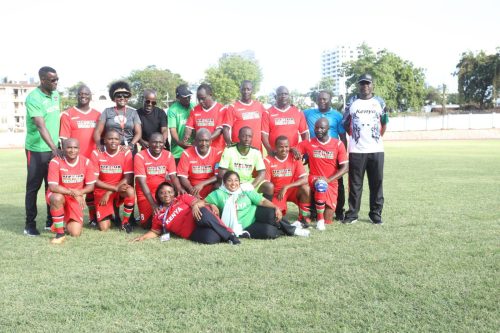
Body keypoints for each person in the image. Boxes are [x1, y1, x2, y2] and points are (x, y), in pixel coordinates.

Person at [342, 73, 389, 225]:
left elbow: (384, 123)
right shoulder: (352, 102)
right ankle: (352, 214)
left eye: (368, 83)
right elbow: (346, 124)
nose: (365, 86)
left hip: (376, 149)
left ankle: (375, 214)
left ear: (372, 85)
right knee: (355, 184)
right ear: (359, 85)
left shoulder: (379, 102)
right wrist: (356, 138)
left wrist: (376, 138)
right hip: (356, 150)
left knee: (376, 183)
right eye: (362, 83)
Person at [205, 171, 309, 239]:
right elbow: (203, 202)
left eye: (236, 180)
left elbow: (262, 201)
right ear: (224, 182)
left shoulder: (244, 189)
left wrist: (276, 207)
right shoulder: (218, 193)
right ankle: (285, 229)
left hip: (255, 216)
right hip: (244, 226)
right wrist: (212, 205)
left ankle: (293, 230)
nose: (233, 183)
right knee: (270, 232)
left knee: (271, 213)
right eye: (229, 180)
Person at [131, 182, 240, 245]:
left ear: (174, 193)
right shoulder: (158, 214)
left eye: (169, 192)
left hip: (199, 219)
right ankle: (221, 234)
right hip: (191, 232)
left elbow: (200, 203)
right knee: (211, 239)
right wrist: (143, 237)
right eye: (162, 193)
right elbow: (155, 232)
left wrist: (195, 205)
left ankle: (230, 236)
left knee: (203, 212)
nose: (166, 195)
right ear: (158, 196)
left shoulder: (182, 198)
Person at [24, 66, 61, 236]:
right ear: (43, 80)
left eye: (57, 79)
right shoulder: (33, 98)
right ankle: (29, 225)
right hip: (37, 150)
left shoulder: (56, 95)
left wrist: (58, 145)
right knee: (33, 187)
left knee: (51, 186)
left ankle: (50, 221)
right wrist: (54, 148)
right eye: (52, 80)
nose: (56, 82)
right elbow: (40, 125)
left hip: (53, 149)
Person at [294, 118, 348, 230]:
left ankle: (321, 218)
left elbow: (345, 167)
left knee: (329, 219)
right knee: (320, 184)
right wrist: (293, 150)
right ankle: (317, 220)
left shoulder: (338, 144)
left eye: (322, 128)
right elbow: (293, 150)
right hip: (314, 179)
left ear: (328, 128)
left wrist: (329, 180)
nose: (318, 130)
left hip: (331, 183)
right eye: (316, 128)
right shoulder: (309, 143)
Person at [59, 85, 101, 225]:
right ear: (76, 95)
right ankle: (62, 217)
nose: (83, 96)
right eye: (80, 94)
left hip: (93, 159)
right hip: (74, 160)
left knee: (92, 189)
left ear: (91, 96)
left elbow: (101, 137)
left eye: (86, 94)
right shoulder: (67, 114)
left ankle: (94, 217)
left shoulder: (97, 115)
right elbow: (64, 140)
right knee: (71, 190)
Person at [304, 90, 347, 221]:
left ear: (330, 100)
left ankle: (339, 211)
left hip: (333, 154)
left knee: (338, 183)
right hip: (315, 153)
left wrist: (343, 155)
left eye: (325, 99)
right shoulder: (308, 113)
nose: (322, 101)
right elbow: (295, 119)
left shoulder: (337, 115)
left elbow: (343, 136)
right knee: (313, 182)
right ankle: (313, 210)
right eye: (320, 99)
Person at [46, 138, 96, 244]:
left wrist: (80, 193)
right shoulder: (55, 162)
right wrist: (74, 193)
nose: (72, 150)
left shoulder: (86, 162)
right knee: (57, 198)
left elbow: (91, 186)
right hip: (59, 194)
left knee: (75, 233)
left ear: (79, 149)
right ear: (63, 149)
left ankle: (60, 221)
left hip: (75, 197)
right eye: (69, 147)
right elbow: (53, 187)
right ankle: (60, 234)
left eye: (75, 147)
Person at [134, 132, 184, 229]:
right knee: (147, 225)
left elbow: (173, 177)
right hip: (145, 194)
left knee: (169, 216)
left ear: (164, 143)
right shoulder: (140, 156)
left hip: (162, 193)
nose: (158, 145)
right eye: (154, 142)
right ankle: (144, 217)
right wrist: (153, 204)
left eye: (160, 142)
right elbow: (142, 182)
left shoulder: (168, 155)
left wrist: (179, 189)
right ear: (149, 143)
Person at [90, 130, 135, 233]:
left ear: (120, 141)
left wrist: (111, 191)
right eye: (110, 139)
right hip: (102, 190)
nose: (113, 141)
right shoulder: (96, 153)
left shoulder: (125, 152)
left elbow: (128, 177)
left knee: (130, 191)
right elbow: (94, 180)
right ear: (104, 140)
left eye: (116, 139)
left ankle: (125, 222)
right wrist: (113, 189)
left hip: (119, 188)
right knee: (104, 228)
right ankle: (110, 215)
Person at [264, 136, 311, 225]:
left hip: (291, 189)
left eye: (286, 147)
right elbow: (267, 184)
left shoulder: (294, 157)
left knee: (306, 189)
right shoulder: (267, 160)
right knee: (277, 217)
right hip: (277, 193)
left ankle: (304, 218)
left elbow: (305, 179)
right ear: (275, 147)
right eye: (281, 147)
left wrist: (287, 186)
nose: (284, 149)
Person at [218, 127, 272, 197]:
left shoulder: (256, 152)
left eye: (249, 136)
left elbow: (262, 173)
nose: (247, 139)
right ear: (239, 137)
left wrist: (251, 186)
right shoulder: (229, 150)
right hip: (233, 181)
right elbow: (222, 173)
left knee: (269, 186)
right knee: (217, 186)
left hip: (248, 181)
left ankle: (262, 207)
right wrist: (233, 185)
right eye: (244, 136)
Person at [93, 81, 142, 153]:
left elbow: (138, 133)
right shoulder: (107, 111)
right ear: (114, 98)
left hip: (128, 148)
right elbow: (97, 131)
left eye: (125, 95)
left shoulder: (133, 112)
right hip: (110, 148)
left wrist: (131, 145)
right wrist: (98, 144)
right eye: (119, 95)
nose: (122, 98)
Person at [261, 86, 309, 156]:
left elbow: (305, 133)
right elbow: (264, 134)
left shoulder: (298, 112)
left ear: (289, 96)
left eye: (286, 94)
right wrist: (269, 150)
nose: (283, 96)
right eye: (280, 94)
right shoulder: (267, 113)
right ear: (275, 97)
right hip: (275, 154)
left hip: (293, 154)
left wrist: (303, 149)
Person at [177, 129, 223, 199]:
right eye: (201, 140)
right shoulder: (186, 153)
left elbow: (218, 176)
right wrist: (192, 190)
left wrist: (202, 184)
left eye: (206, 141)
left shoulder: (218, 153)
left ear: (211, 141)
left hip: (210, 188)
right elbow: (182, 176)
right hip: (191, 187)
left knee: (218, 185)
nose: (204, 143)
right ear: (195, 141)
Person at [222, 80, 265, 150]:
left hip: (256, 150)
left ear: (252, 90)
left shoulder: (259, 105)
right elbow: (226, 129)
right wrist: (230, 144)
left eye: (248, 89)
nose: (246, 92)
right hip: (239, 150)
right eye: (243, 89)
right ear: (240, 90)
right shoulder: (233, 107)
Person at [182, 84, 225, 151]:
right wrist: (186, 136)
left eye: (203, 98)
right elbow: (189, 127)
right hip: (200, 150)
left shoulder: (221, 109)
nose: (200, 101)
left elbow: (219, 130)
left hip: (217, 150)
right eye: (198, 99)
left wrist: (204, 141)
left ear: (210, 95)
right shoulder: (194, 110)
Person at [168, 84, 195, 164]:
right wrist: (180, 143)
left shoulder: (194, 106)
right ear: (178, 97)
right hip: (178, 151)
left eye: (189, 96)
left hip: (193, 149)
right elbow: (172, 129)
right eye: (184, 97)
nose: (187, 99)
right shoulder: (173, 110)